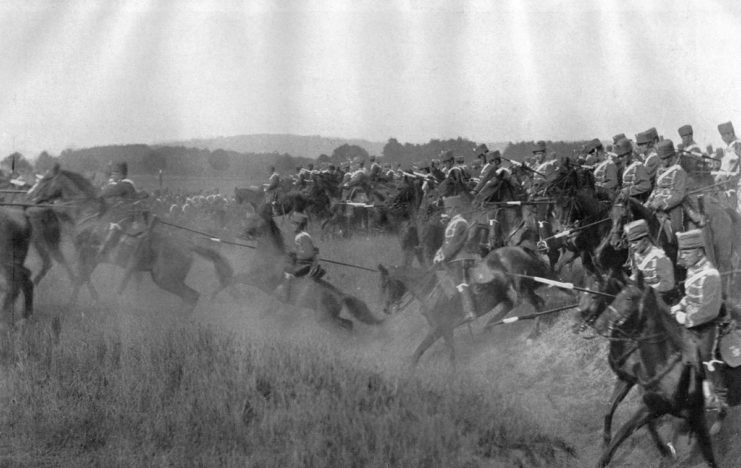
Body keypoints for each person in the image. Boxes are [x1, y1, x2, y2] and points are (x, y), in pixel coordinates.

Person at [670, 229, 727, 411]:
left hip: (709, 325)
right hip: (692, 321)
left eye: (686, 252)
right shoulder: (693, 269)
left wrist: (684, 317)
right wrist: (680, 305)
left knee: (705, 355)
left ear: (699, 251)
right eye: (682, 252)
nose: (682, 257)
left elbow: (708, 311)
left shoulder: (710, 275)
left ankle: (718, 399)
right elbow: (691, 296)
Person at [434, 195, 479, 322]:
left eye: (448, 209)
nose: (446, 212)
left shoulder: (459, 223)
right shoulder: (452, 223)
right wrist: (439, 254)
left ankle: (470, 311)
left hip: (461, 257)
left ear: (454, 209)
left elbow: (455, 243)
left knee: (461, 283)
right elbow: (446, 243)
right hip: (454, 258)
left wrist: (444, 256)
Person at [623, 220, 677, 304]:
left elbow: (668, 285)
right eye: (631, 243)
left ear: (645, 240)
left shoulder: (659, 257)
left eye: (635, 243)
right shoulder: (637, 256)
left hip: (659, 304)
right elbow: (636, 275)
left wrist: (646, 290)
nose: (632, 246)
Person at [645, 140, 690, 236]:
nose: (661, 161)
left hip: (673, 205)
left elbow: (679, 195)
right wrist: (648, 202)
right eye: (660, 158)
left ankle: (679, 246)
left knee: (676, 229)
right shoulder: (660, 170)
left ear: (671, 157)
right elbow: (656, 189)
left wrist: (662, 203)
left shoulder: (679, 171)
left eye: (663, 158)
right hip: (656, 203)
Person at [274, 212, 322, 302]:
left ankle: (285, 298)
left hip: (306, 264)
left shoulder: (303, 236)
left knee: (288, 274)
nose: (292, 225)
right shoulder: (297, 235)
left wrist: (295, 253)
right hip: (300, 263)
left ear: (301, 225)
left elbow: (308, 254)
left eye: (295, 224)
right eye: (292, 223)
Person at [715, 121, 741, 214]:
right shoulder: (730, 147)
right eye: (722, 136)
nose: (723, 138)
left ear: (731, 133)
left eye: (725, 135)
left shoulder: (737, 145)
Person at [616, 138, 651, 202]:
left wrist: (629, 190)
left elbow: (646, 185)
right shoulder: (623, 168)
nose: (621, 158)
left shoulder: (638, 166)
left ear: (630, 153)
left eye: (623, 156)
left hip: (637, 201)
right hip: (625, 200)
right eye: (619, 156)